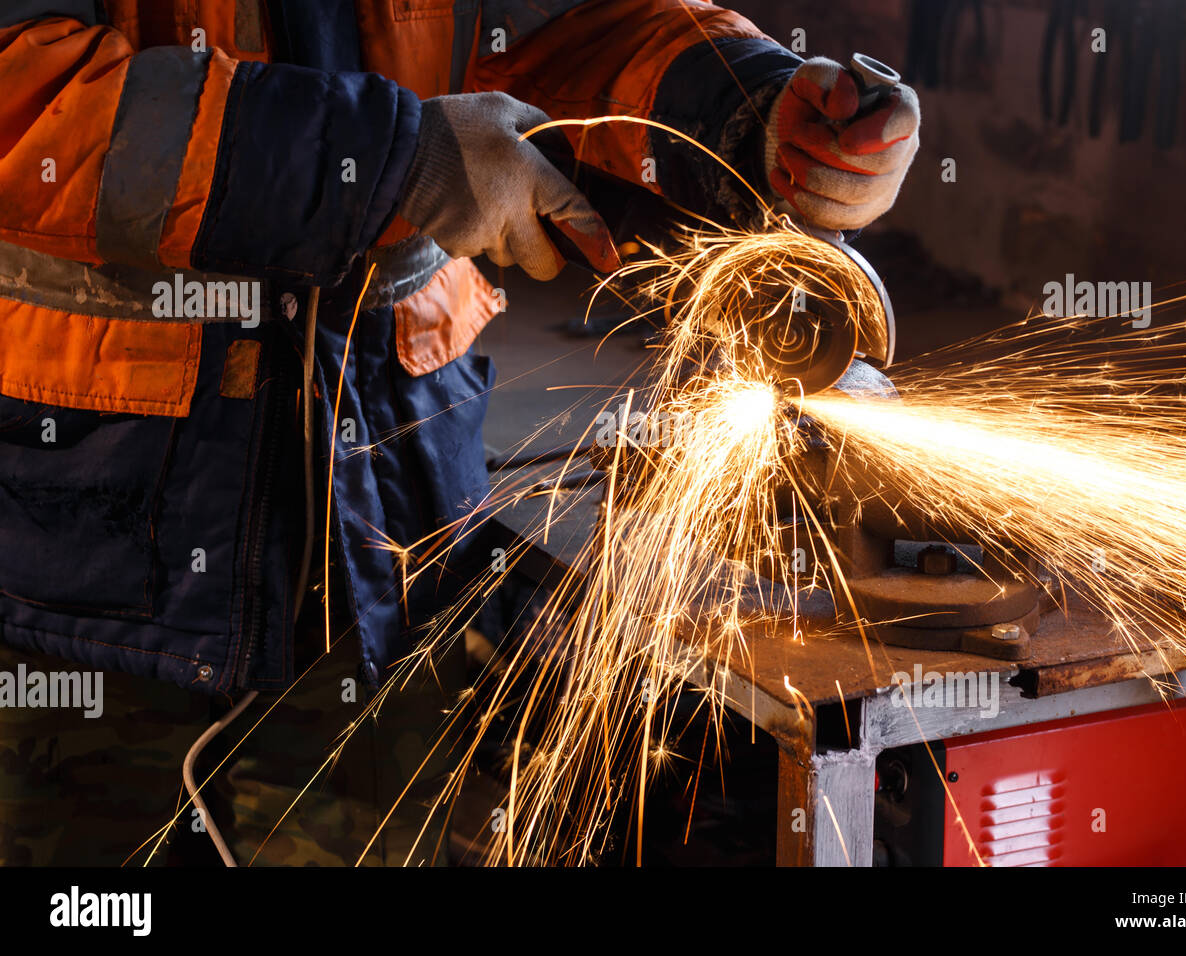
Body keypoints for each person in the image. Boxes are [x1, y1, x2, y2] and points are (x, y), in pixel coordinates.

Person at [0, 0, 920, 865]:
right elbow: (25, 96)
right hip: (88, 533)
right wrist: (390, 162)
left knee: (371, 826)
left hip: (389, 501)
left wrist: (738, 103)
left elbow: (556, 21)